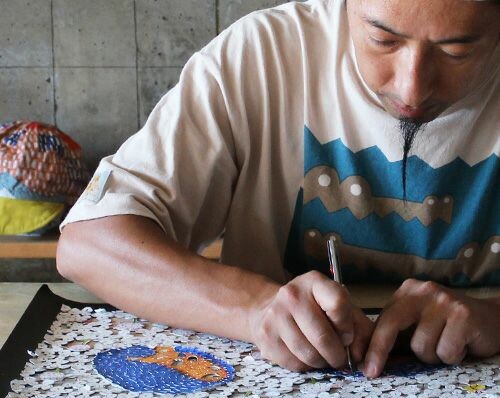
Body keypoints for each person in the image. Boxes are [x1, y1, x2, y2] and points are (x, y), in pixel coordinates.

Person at [57, 0, 500, 377]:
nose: (411, 88)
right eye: (383, 40)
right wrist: (255, 307)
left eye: (456, 51)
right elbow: (89, 244)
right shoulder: (263, 56)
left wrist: (494, 317)